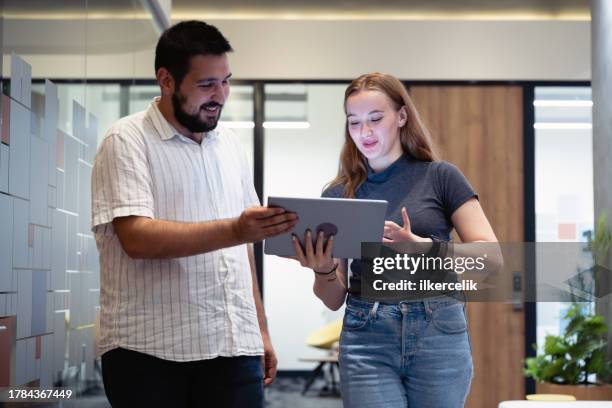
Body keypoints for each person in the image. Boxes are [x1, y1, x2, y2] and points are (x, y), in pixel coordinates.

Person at [91, 20, 297, 408]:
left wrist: (260, 329)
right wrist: (236, 229)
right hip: (149, 352)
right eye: (206, 85)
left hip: (233, 345)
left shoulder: (230, 145)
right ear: (166, 81)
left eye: (225, 82)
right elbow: (136, 237)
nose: (220, 95)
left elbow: (243, 251)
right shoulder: (126, 140)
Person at [290, 73, 499, 408]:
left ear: (402, 116)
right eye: (354, 122)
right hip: (367, 335)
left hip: (438, 329)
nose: (365, 132)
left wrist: (419, 249)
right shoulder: (339, 194)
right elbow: (332, 298)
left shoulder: (441, 177)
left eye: (375, 118)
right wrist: (323, 268)